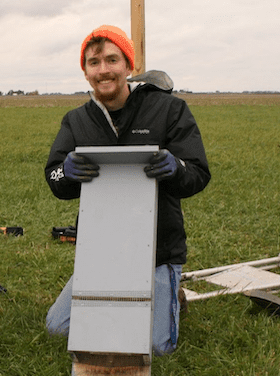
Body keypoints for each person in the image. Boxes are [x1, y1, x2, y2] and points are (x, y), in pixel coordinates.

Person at [44, 25, 211, 356]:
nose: (104, 70)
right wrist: (68, 172)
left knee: (154, 346)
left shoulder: (168, 109)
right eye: (94, 62)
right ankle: (116, 298)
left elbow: (198, 173)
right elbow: (54, 176)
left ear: (128, 65)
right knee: (58, 328)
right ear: (86, 72)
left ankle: (172, 293)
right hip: (101, 250)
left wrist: (175, 168)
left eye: (112, 59)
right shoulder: (77, 120)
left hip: (159, 251)